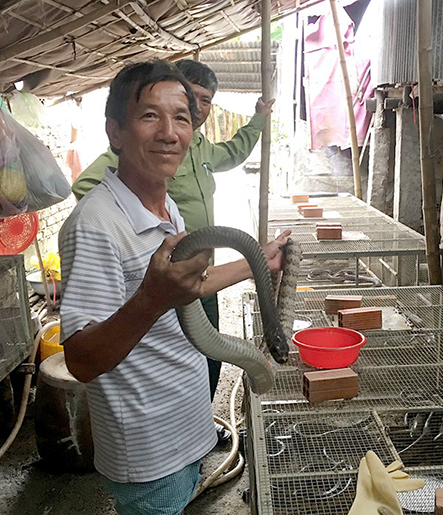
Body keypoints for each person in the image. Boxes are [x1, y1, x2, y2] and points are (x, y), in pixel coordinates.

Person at [59, 59, 288, 515]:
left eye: (181, 117)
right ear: (115, 132)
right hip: (147, 453)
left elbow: (190, 288)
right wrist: (150, 299)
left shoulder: (164, 208)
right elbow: (81, 361)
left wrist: (255, 263)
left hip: (182, 431)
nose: (169, 132)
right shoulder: (96, 225)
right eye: (149, 115)